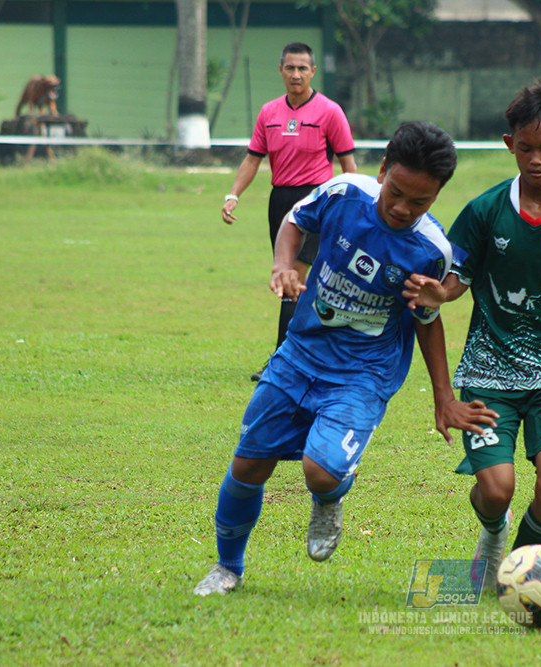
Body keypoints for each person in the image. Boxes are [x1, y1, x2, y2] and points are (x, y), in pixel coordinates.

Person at [194, 121, 499, 596]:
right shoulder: (343, 193)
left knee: (322, 471)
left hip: (364, 373)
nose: (402, 209)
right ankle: (228, 567)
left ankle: (329, 497)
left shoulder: (432, 251)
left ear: (437, 196)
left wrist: (444, 397)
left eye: (419, 202)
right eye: (395, 192)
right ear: (381, 171)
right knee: (249, 467)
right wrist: (282, 263)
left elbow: (427, 320)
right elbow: (295, 220)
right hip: (299, 354)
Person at [404, 79, 541, 592]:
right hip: (489, 370)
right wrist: (438, 295)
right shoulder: (485, 211)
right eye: (525, 148)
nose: (535, 159)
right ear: (509, 145)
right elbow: (454, 282)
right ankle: (492, 536)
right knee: (497, 489)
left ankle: (521, 574)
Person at [221, 42, 358, 381]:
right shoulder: (268, 112)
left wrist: (357, 208)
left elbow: (348, 165)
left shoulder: (329, 112)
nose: (296, 74)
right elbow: (253, 158)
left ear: (313, 71)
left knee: (293, 277)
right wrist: (233, 194)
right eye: (290, 68)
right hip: (280, 202)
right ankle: (310, 353)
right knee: (290, 280)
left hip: (316, 201)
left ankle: (283, 361)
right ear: (280, 71)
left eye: (302, 68)